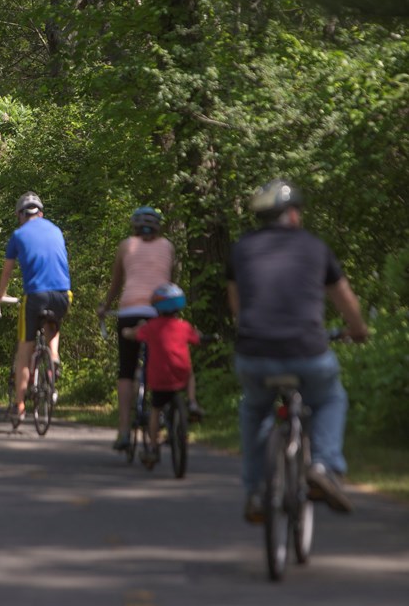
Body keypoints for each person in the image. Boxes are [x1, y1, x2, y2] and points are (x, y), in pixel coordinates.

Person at [226, 179, 368, 524]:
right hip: (308, 351)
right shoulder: (315, 247)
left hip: (254, 352)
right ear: (292, 214)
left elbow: (237, 308)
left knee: (255, 409)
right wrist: (358, 330)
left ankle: (256, 492)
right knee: (330, 398)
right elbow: (345, 299)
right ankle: (324, 466)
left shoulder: (241, 249)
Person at [97, 206, 181, 451]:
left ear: (134, 227)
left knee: (126, 370)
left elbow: (116, 284)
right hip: (160, 314)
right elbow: (171, 284)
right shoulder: (168, 247)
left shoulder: (126, 246)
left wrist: (105, 306)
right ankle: (162, 415)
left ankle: (124, 430)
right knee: (161, 366)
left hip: (130, 313)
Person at [0, 192, 71, 424]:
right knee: (53, 326)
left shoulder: (18, 235)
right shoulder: (56, 230)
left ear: (19, 215)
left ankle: (20, 405)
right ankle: (53, 358)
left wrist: (1, 294)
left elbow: (7, 271)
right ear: (41, 213)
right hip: (63, 294)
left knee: (24, 352)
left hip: (35, 296)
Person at [122, 282, 202, 467]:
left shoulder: (150, 327)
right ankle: (192, 402)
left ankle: (152, 447)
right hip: (179, 374)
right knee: (190, 373)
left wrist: (127, 332)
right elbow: (197, 337)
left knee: (155, 410)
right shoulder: (184, 326)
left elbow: (135, 334)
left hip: (158, 378)